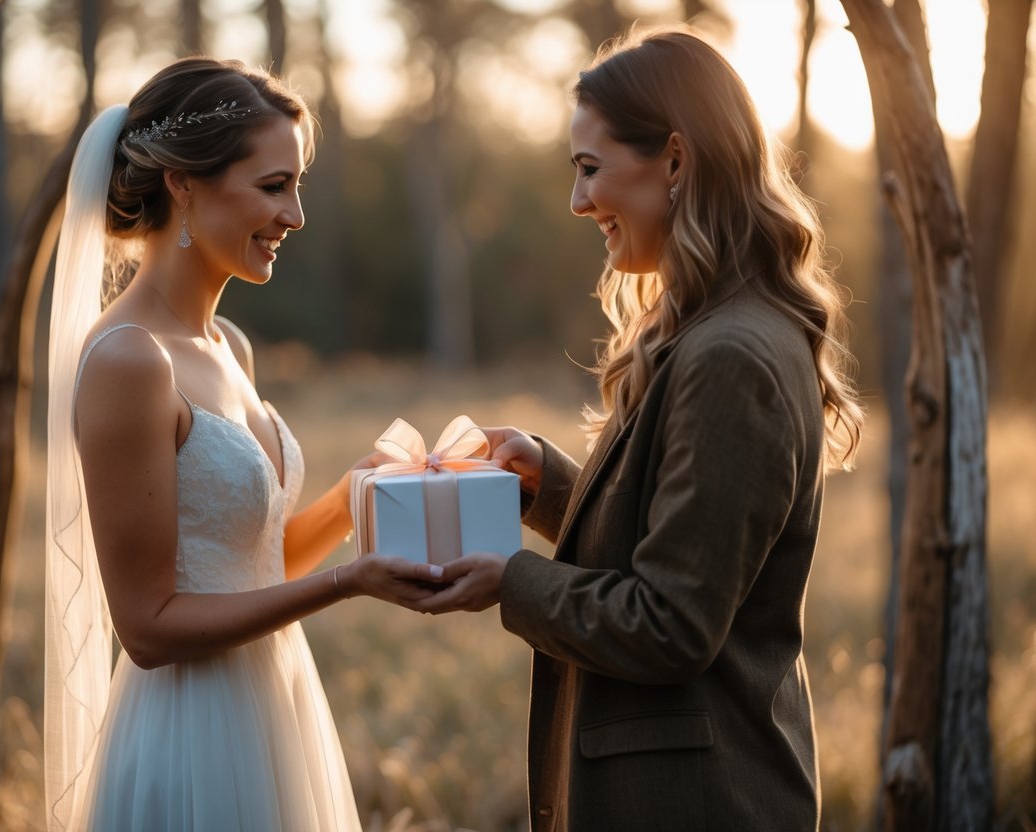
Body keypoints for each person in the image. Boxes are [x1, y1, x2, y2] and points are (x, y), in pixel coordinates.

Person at [409, 27, 865, 830]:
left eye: (590, 169)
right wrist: (548, 484)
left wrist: (509, 582)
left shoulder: (732, 355)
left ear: (676, 162)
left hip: (698, 802)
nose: (578, 202)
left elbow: (672, 624)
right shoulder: (707, 328)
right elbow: (680, 542)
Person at [42, 58, 436, 831]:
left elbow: (250, 565)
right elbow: (149, 627)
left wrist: (356, 492)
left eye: (296, 187)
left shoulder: (227, 344)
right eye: (271, 186)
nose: (294, 215)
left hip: (274, 704)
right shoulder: (128, 358)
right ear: (183, 184)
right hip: (191, 730)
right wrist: (348, 584)